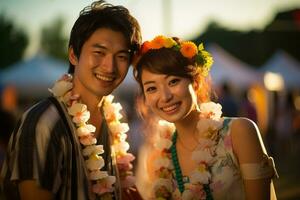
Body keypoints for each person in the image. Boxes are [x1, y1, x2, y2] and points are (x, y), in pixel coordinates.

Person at [0, 1, 142, 199]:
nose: (110, 67)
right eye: (99, 52)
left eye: (121, 56)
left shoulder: (113, 121)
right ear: (74, 55)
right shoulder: (44, 123)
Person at [133, 35, 278, 199]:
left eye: (173, 81)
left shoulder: (238, 133)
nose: (165, 96)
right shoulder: (158, 158)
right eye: (152, 88)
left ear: (195, 83)